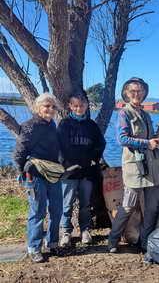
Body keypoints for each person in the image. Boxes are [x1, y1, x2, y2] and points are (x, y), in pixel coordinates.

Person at [108, 77, 159, 253]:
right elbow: (122, 139)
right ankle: (113, 240)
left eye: (140, 90)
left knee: (152, 208)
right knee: (128, 206)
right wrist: (147, 143)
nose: (136, 93)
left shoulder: (147, 115)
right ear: (126, 93)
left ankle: (145, 241)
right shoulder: (124, 113)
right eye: (132, 90)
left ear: (144, 93)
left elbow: (150, 137)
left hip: (153, 166)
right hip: (135, 167)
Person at [14, 93, 63, 263]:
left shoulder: (52, 125)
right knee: (38, 211)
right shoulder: (29, 126)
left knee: (57, 210)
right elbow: (19, 153)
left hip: (53, 173)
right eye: (46, 106)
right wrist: (23, 173)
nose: (50, 109)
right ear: (37, 108)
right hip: (35, 175)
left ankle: (53, 243)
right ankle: (34, 247)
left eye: (53, 106)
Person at [57, 93, 106, 247]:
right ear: (70, 106)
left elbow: (101, 144)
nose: (79, 108)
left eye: (82, 105)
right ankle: (66, 232)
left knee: (85, 204)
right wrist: (64, 164)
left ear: (86, 106)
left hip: (87, 172)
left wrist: (93, 159)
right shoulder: (64, 124)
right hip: (69, 172)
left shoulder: (91, 125)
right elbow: (59, 147)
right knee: (67, 204)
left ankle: (85, 230)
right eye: (76, 106)